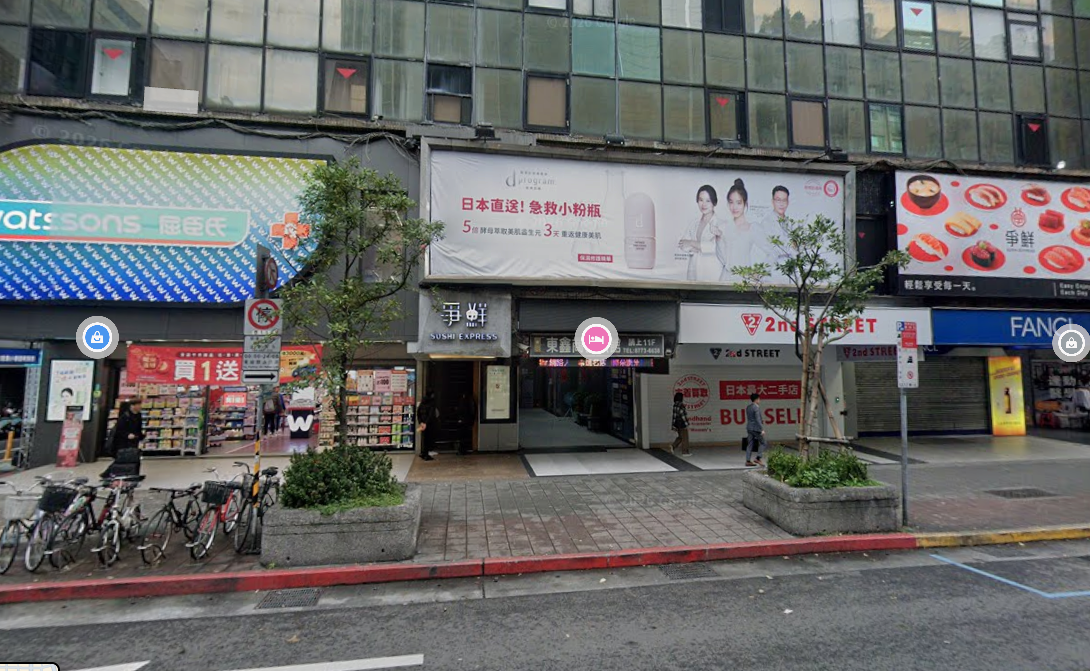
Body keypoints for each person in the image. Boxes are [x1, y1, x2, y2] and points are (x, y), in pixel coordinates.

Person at [714, 179, 781, 282]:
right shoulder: (723, 227)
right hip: (726, 279)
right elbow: (723, 260)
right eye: (731, 202)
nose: (734, 207)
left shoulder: (753, 228)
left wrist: (760, 272)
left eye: (738, 203)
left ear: (745, 204)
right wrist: (718, 238)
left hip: (745, 281)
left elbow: (773, 252)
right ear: (727, 204)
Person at [677, 185, 723, 282]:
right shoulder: (694, 223)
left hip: (711, 271)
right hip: (693, 269)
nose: (704, 204)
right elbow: (682, 244)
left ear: (714, 202)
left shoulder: (720, 223)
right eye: (701, 200)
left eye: (708, 201)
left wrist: (692, 243)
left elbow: (715, 247)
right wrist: (701, 247)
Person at [102, 400, 144, 478]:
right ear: (132, 406)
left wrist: (141, 436)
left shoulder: (138, 415)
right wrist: (127, 435)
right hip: (123, 441)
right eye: (138, 405)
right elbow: (119, 430)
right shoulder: (125, 416)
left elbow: (139, 427)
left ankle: (134, 474)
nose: (140, 406)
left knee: (135, 456)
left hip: (134, 440)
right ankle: (107, 473)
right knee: (123, 458)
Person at [745, 392, 767, 467]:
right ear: (756, 399)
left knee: (749, 444)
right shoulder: (756, 407)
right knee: (763, 443)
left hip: (749, 427)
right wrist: (762, 429)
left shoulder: (748, 407)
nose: (760, 400)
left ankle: (748, 461)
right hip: (755, 429)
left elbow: (752, 418)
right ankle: (758, 458)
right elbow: (757, 419)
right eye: (759, 399)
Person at [416, 392, 439, 461]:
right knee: (428, 439)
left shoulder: (421, 404)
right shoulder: (431, 404)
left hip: (422, 424)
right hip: (429, 424)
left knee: (424, 439)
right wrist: (426, 423)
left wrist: (421, 422)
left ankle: (424, 453)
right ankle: (426, 455)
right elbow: (430, 415)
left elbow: (418, 413)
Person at [670, 391, 691, 456]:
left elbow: (674, 416)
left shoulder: (675, 405)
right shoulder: (681, 405)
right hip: (682, 423)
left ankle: (673, 446)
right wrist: (686, 424)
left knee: (680, 437)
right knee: (685, 437)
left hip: (677, 423)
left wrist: (673, 425)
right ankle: (685, 452)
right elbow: (683, 415)